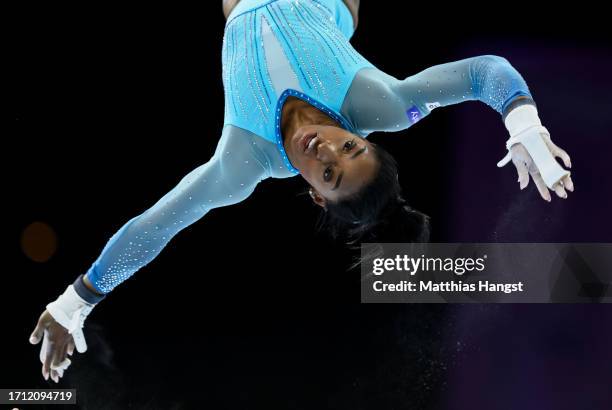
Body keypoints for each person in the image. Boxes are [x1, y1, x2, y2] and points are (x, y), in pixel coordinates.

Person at [30, 0, 574, 383]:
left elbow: (158, 225)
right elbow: (485, 74)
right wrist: (523, 123)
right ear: (361, 137)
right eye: (351, 150)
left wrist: (77, 300)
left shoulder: (242, 161)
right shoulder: (382, 103)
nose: (327, 150)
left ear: (315, 194)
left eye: (330, 174)